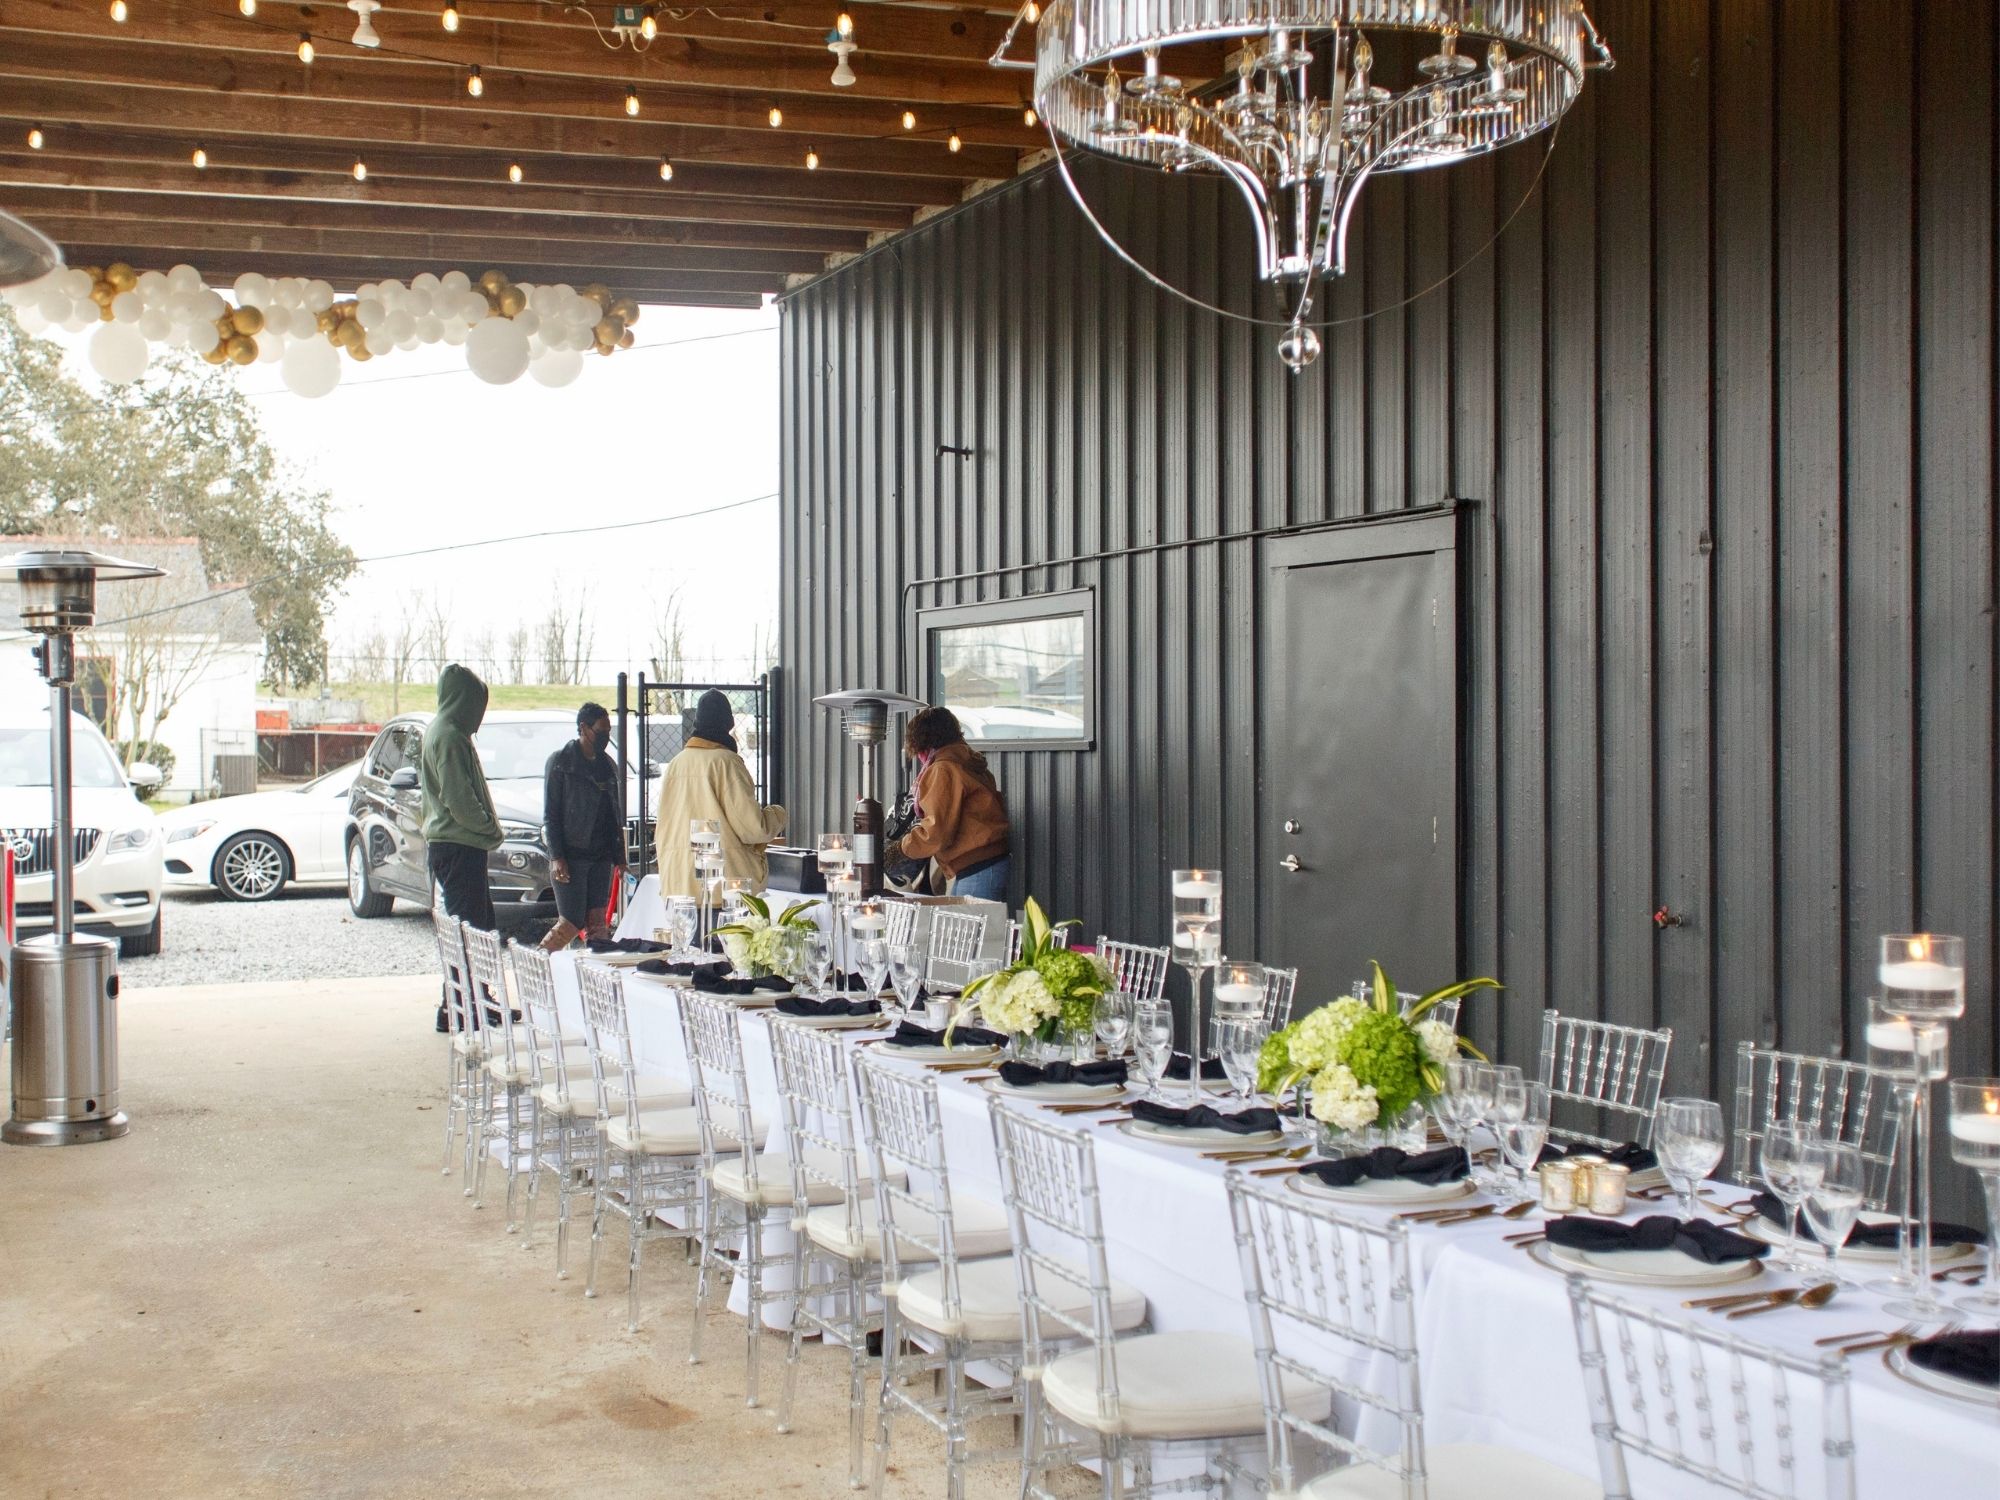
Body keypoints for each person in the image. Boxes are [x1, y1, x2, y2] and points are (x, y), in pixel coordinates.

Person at [420, 663, 502, 1031]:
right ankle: (459, 1008)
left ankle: (470, 1003)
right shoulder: (449, 736)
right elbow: (459, 799)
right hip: (459, 844)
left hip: (456, 844)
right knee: (469, 930)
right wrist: (489, 830)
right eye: (476, 704)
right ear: (462, 700)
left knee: (474, 927)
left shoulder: (446, 731)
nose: (480, 715)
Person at [654, 689, 786, 896]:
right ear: (730, 722)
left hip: (678, 885)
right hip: (724, 886)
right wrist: (778, 814)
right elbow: (752, 828)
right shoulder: (726, 762)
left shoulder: (675, 764)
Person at [883, 705, 1011, 900]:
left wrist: (899, 849)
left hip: (975, 865)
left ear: (920, 740)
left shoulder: (943, 769)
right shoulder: (967, 762)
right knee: (967, 926)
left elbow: (935, 832)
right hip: (982, 863)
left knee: (971, 928)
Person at [539, 701, 623, 951]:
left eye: (608, 731)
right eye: (601, 731)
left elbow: (613, 813)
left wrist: (619, 857)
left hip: (600, 856)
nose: (606, 736)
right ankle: (539, 963)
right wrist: (557, 856)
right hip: (572, 856)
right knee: (571, 921)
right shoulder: (561, 762)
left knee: (598, 923)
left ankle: (597, 977)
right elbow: (550, 814)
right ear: (583, 728)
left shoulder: (607, 765)